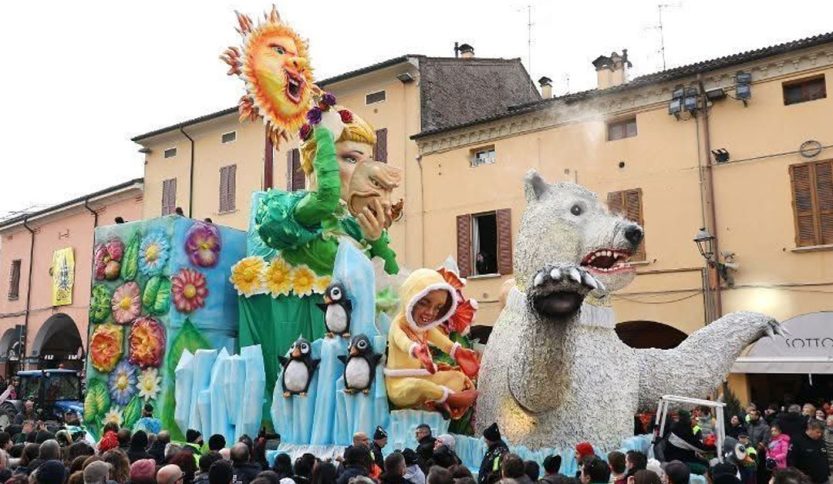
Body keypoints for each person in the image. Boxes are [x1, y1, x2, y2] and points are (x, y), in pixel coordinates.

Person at [383, 269, 480, 418]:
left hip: (423, 377)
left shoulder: (425, 328)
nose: (430, 312)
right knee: (419, 386)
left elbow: (443, 342)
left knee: (457, 378)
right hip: (399, 385)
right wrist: (415, 351)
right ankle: (447, 399)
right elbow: (402, 341)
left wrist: (458, 352)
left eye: (438, 307)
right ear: (411, 299)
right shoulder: (399, 324)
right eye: (424, 303)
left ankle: (438, 400)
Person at [663, 410, 710, 475]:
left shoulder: (678, 427)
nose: (693, 420)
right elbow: (699, 447)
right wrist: (713, 447)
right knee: (704, 468)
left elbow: (694, 441)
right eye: (691, 418)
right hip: (679, 460)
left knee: (705, 462)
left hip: (681, 456)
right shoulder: (683, 431)